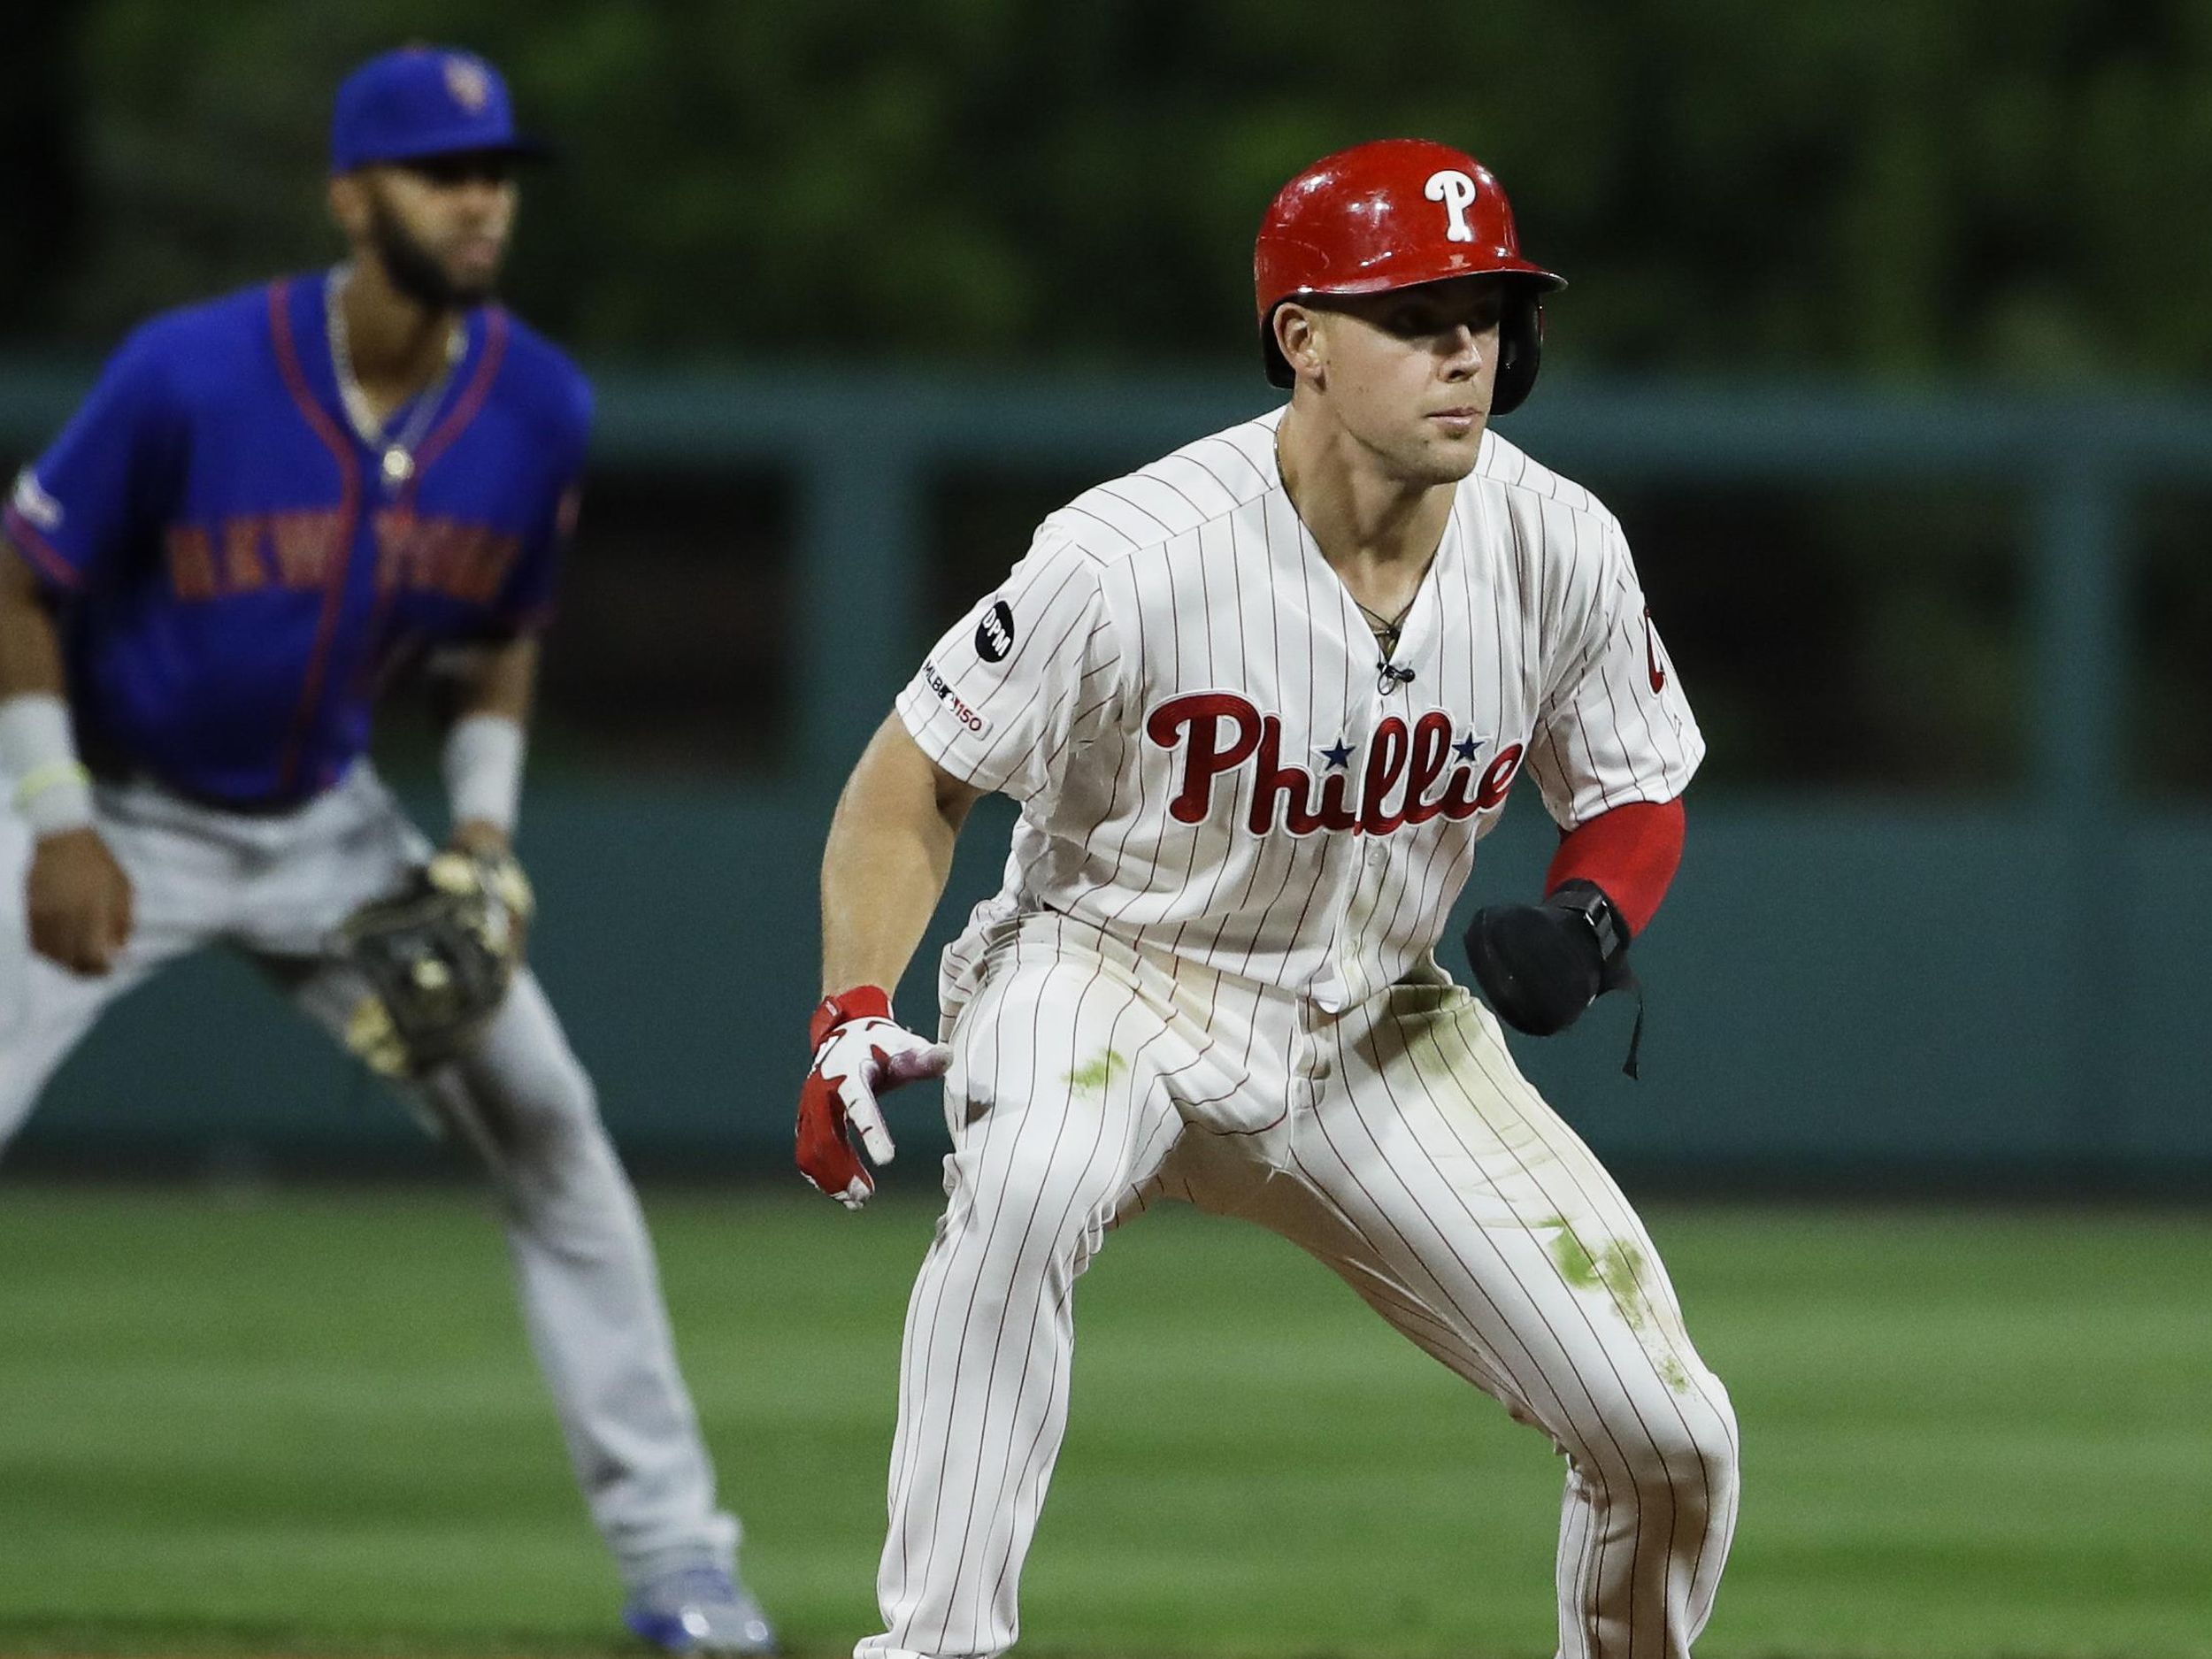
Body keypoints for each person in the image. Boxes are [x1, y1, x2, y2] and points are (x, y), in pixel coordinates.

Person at [797, 138, 1739, 1659]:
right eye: (1418, 314)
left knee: (1672, 1439)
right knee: (1027, 1189)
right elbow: (914, 781)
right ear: (1301, 340)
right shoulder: (1129, 555)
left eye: (1487, 312)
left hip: (1376, 1020)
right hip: (1110, 972)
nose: (1466, 351)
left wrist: (1589, 920)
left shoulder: (1557, 539)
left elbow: (1633, 785)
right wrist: (852, 1007)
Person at [0, 46, 773, 1656]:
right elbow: (22, 583)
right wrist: (55, 819)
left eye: (496, 172)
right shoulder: (189, 372)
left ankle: (681, 1565)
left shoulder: (536, 403)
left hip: (335, 831)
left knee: (556, 1144)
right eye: (442, 172)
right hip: (111, 811)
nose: (480, 199)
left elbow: (497, 637)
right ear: (354, 199)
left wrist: (482, 836)